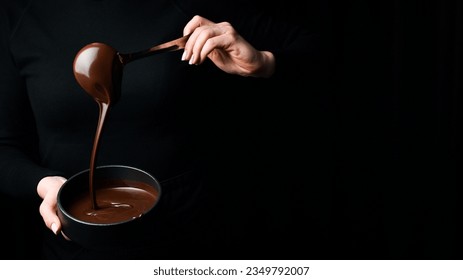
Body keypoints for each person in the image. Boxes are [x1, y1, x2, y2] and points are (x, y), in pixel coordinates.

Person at [0, 0, 322, 259]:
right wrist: (43, 184)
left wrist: (262, 63)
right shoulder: (18, 14)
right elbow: (5, 147)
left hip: (191, 247)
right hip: (75, 251)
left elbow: (318, 55)